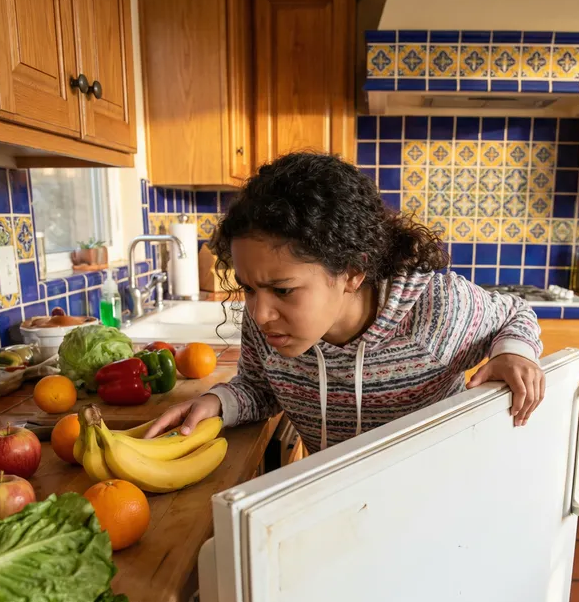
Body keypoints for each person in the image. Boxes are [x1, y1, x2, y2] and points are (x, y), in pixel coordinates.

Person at [145, 153, 544, 452]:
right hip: (335, 509)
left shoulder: (434, 310)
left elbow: (515, 313)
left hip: (430, 507)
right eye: (248, 288)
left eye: (283, 290)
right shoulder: (268, 322)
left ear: (353, 272)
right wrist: (218, 401)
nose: (259, 313)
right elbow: (260, 387)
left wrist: (515, 353)